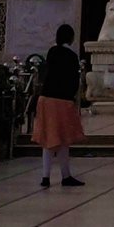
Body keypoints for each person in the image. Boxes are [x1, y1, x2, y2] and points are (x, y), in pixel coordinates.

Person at [32, 24, 85, 188]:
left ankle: (45, 176)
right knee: (63, 139)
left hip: (46, 98)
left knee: (48, 138)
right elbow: (73, 80)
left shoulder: (52, 52)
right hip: (62, 100)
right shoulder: (71, 55)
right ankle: (65, 175)